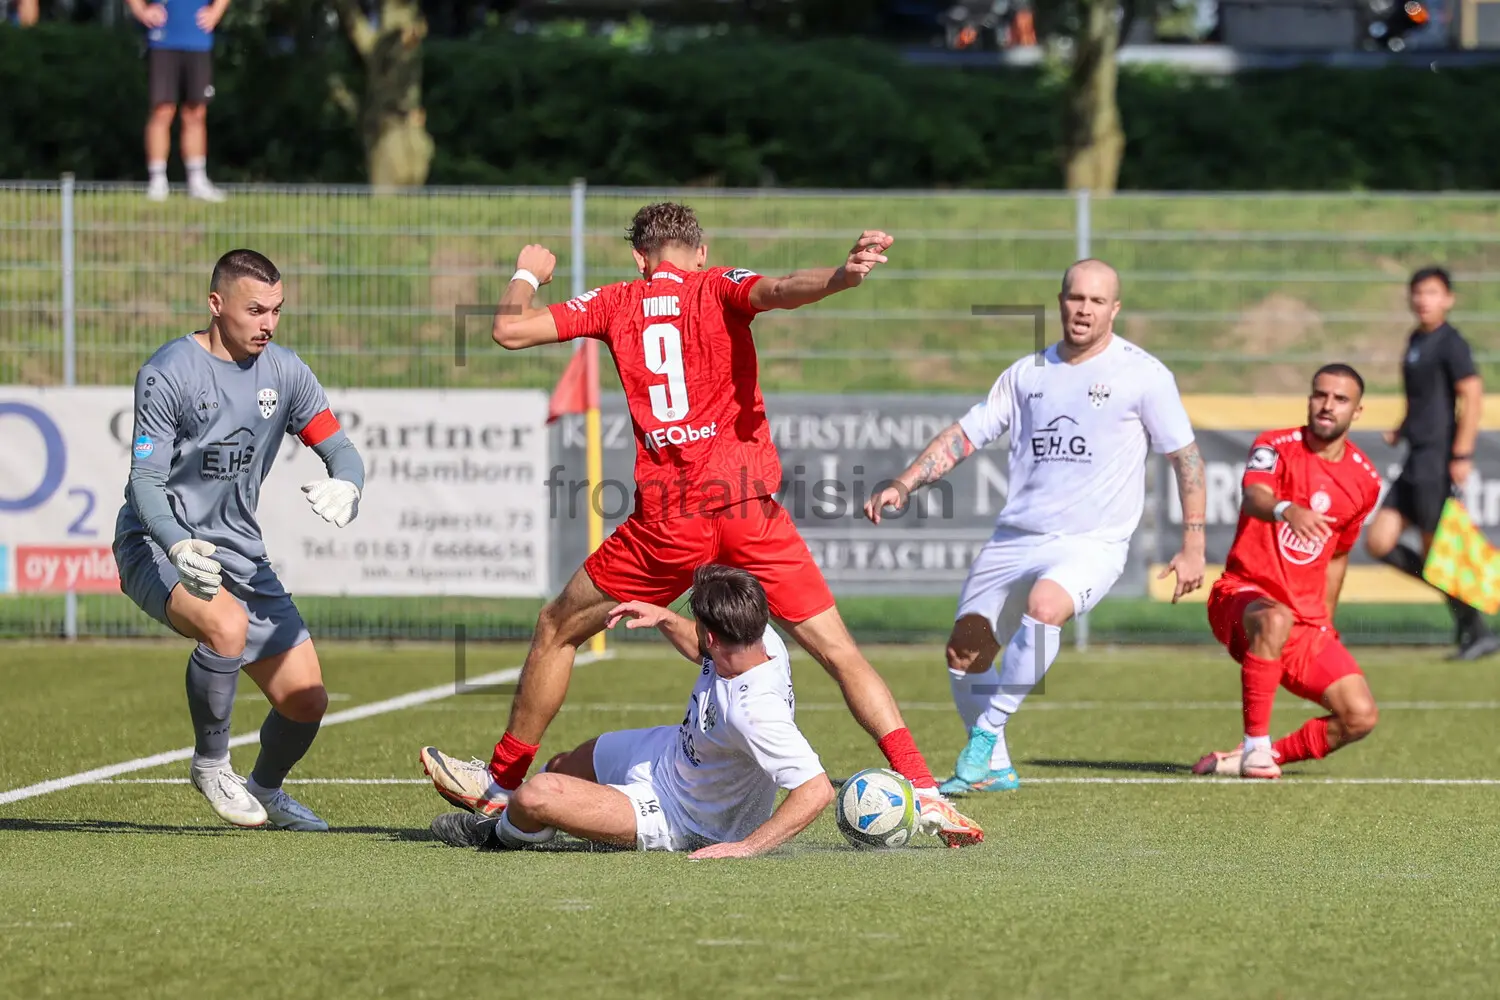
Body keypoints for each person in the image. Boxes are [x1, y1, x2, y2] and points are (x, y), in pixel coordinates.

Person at [419, 202, 982, 847]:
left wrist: (526, 273)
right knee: (838, 652)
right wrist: (841, 276)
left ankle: (499, 785)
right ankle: (926, 789)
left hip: (668, 523)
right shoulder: (719, 286)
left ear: (639, 257)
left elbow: (509, 332)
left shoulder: (614, 301)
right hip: (748, 511)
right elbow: (775, 290)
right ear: (702, 251)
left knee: (557, 629)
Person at [864, 259, 1207, 794]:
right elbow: (964, 437)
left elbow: (1185, 458)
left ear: (1114, 309)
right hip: (1016, 537)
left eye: (1096, 301)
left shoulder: (1143, 375)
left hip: (1093, 544)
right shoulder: (1027, 374)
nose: (1084, 309)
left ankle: (987, 731)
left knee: (1045, 606)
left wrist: (1194, 541)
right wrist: (905, 483)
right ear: (1061, 300)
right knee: (964, 651)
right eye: (1075, 298)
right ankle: (995, 768)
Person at [113, 249, 364, 829]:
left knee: (306, 700)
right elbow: (145, 482)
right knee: (224, 626)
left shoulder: (286, 372)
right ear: (216, 305)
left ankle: (267, 790)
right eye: (255, 310)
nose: (268, 324)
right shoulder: (168, 372)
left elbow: (339, 448)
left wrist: (348, 484)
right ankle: (210, 764)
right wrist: (176, 542)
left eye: (276, 310)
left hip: (239, 551)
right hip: (155, 543)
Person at [428, 566, 835, 858]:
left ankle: (498, 836)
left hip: (683, 815)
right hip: (668, 752)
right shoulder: (758, 637)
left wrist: (746, 848)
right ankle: (537, 816)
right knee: (559, 765)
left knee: (537, 795)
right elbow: (704, 651)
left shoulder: (755, 712)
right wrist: (663, 618)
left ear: (712, 635)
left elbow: (816, 790)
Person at [1193, 365, 1383, 779]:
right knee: (1274, 617)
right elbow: (1254, 494)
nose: (1327, 406)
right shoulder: (1276, 445)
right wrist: (1286, 508)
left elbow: (1337, 557)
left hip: (1303, 621)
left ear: (1358, 411)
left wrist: (1325, 624)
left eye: (1340, 399)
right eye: (1320, 395)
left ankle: (1254, 760)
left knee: (1360, 715)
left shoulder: (1365, 481)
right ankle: (1255, 746)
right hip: (1242, 596)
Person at [1364, 267, 1497, 661]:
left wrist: (1462, 453)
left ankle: (1475, 629)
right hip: (1414, 457)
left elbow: (1471, 395)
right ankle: (1468, 621)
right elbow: (1423, 397)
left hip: (1436, 460)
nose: (1424, 299)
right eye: (1418, 292)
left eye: (1433, 292)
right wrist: (1402, 426)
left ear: (1449, 299)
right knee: (1379, 542)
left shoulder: (1451, 343)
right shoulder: (1416, 340)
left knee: (1438, 551)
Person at [126, 0, 229, 202]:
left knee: (196, 112)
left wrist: (216, 11)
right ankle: (157, 181)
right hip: (163, 39)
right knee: (162, 110)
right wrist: (140, 10)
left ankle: (197, 181)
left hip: (198, 39)